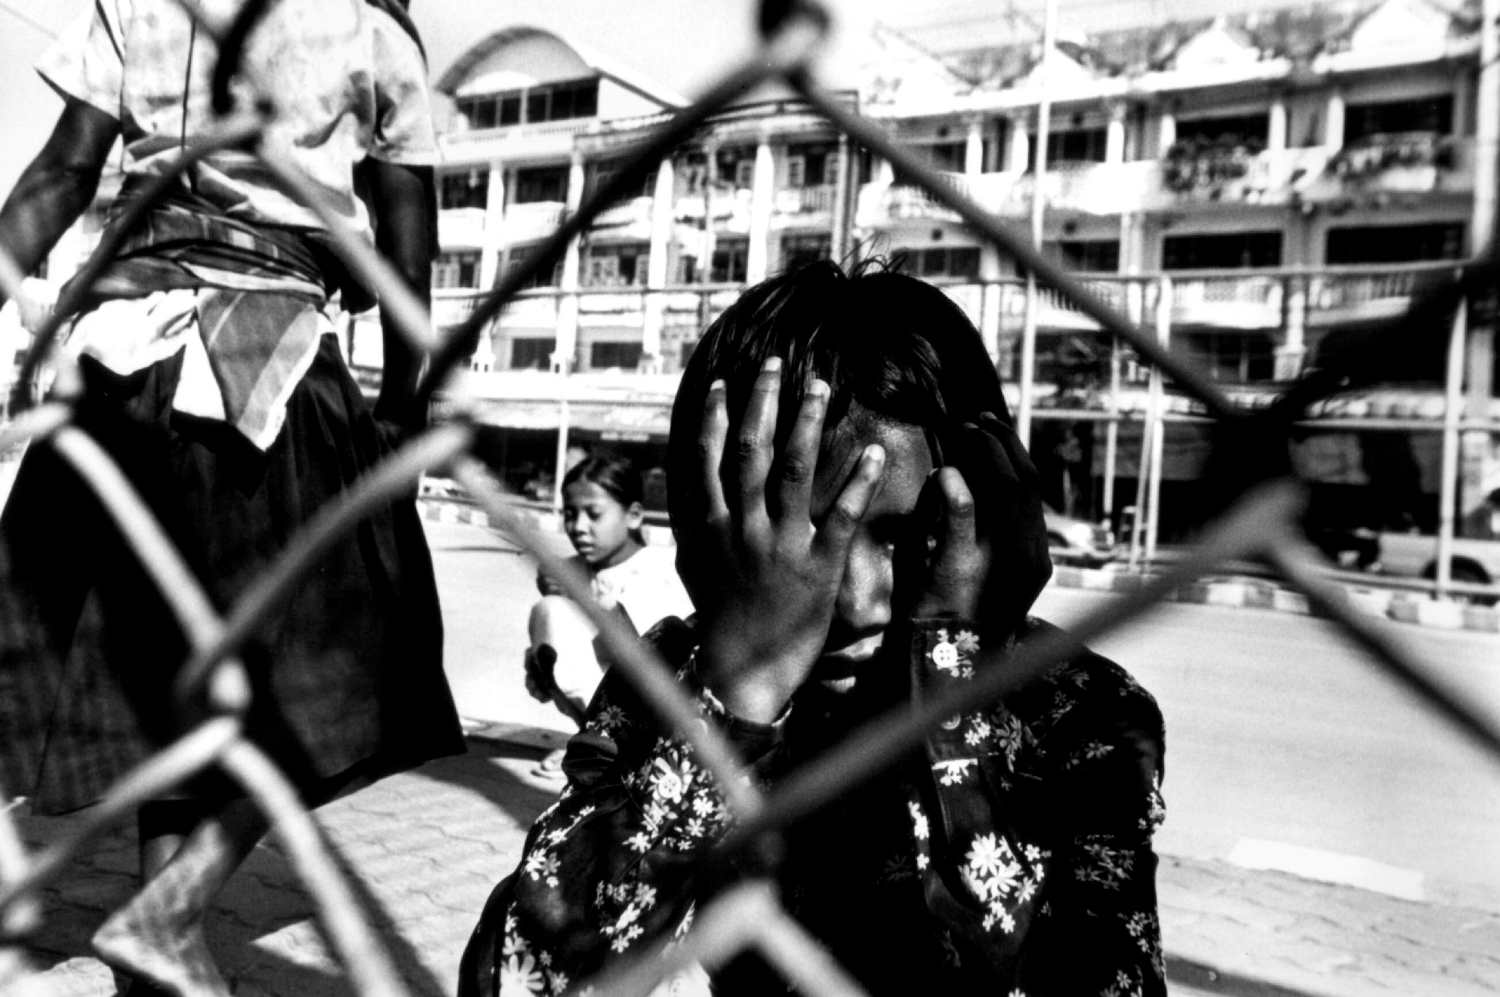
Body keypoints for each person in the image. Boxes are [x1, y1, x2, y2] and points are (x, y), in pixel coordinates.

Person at [458, 261, 1167, 996]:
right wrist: (738, 696)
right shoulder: (669, 676)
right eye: (805, 539)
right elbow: (513, 978)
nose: (858, 600)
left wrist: (957, 683)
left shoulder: (1073, 710)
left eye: (904, 536)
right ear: (710, 534)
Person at [0, 1, 463, 994]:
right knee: (352, 664)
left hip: (115, 369)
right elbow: (408, 239)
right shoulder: (371, 27)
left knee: (172, 694)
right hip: (268, 365)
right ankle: (170, 912)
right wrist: (404, 405)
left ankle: (153, 952)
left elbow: (62, 168)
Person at [524, 454, 692, 765]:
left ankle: (618, 749)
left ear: (634, 516)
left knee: (556, 611)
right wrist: (540, 667)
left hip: (661, 712)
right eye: (570, 514)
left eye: (594, 514)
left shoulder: (658, 569)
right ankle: (594, 742)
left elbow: (646, 650)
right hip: (600, 713)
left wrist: (582, 600)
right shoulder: (572, 570)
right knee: (548, 611)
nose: (579, 527)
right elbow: (554, 668)